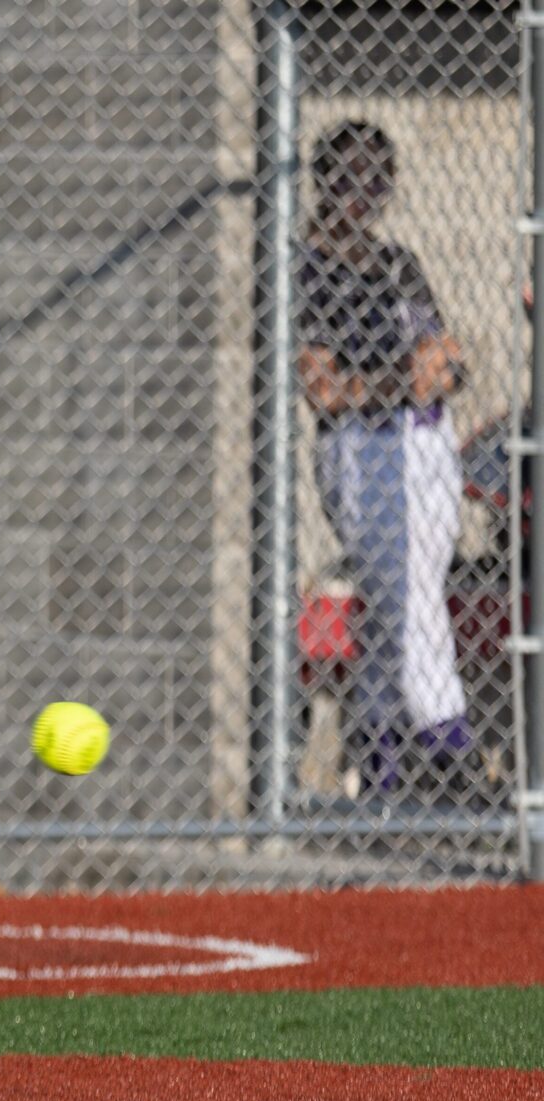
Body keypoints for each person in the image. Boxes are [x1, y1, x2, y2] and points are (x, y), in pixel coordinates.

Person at [295, 120, 472, 795]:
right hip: (363, 448)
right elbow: (325, 390)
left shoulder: (398, 263)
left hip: (427, 443)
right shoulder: (306, 267)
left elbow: (450, 358)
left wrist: (433, 373)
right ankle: (449, 748)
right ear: (323, 180)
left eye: (377, 177)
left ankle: (381, 760)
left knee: (402, 602)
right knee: (405, 596)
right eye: (349, 176)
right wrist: (404, 377)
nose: (363, 192)